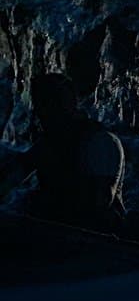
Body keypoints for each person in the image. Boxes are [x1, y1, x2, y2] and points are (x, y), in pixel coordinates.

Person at [0, 73, 125, 228]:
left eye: (50, 104)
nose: (42, 114)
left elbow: (100, 203)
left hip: (98, 238)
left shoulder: (100, 142)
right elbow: (10, 179)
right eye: (40, 105)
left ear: (69, 103)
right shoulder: (47, 145)